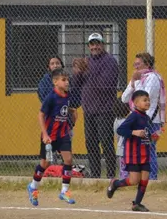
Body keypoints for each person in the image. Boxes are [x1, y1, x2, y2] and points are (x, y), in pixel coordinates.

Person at [70, 33, 120, 179]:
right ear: (89, 46)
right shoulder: (87, 62)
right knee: (91, 144)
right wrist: (77, 73)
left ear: (103, 44)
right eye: (92, 44)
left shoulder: (110, 61)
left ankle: (111, 175)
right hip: (89, 110)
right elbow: (76, 85)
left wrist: (86, 71)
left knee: (106, 142)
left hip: (105, 110)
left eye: (98, 43)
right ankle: (95, 175)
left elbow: (106, 85)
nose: (95, 46)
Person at [27, 68, 77, 207]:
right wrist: (45, 134)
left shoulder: (67, 95)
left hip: (63, 134)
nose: (67, 82)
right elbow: (41, 115)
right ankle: (33, 187)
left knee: (68, 159)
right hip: (49, 136)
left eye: (67, 79)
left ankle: (64, 191)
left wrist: (72, 113)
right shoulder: (51, 97)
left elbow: (65, 110)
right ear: (55, 82)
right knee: (45, 164)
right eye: (63, 80)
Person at [121, 52, 166, 180]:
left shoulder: (153, 77)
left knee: (149, 149)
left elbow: (144, 96)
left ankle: (151, 178)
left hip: (150, 120)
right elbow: (124, 98)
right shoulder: (137, 78)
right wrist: (133, 82)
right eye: (134, 64)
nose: (135, 67)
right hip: (136, 119)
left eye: (138, 64)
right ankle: (132, 176)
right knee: (133, 148)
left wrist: (137, 82)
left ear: (146, 64)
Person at [107, 90, 153, 212]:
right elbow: (121, 130)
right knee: (134, 180)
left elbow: (147, 133)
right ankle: (115, 184)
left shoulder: (147, 118)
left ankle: (136, 204)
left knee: (145, 178)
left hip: (145, 153)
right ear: (136, 103)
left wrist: (153, 136)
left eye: (148, 100)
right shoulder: (134, 116)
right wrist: (134, 132)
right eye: (144, 100)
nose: (147, 102)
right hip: (133, 155)